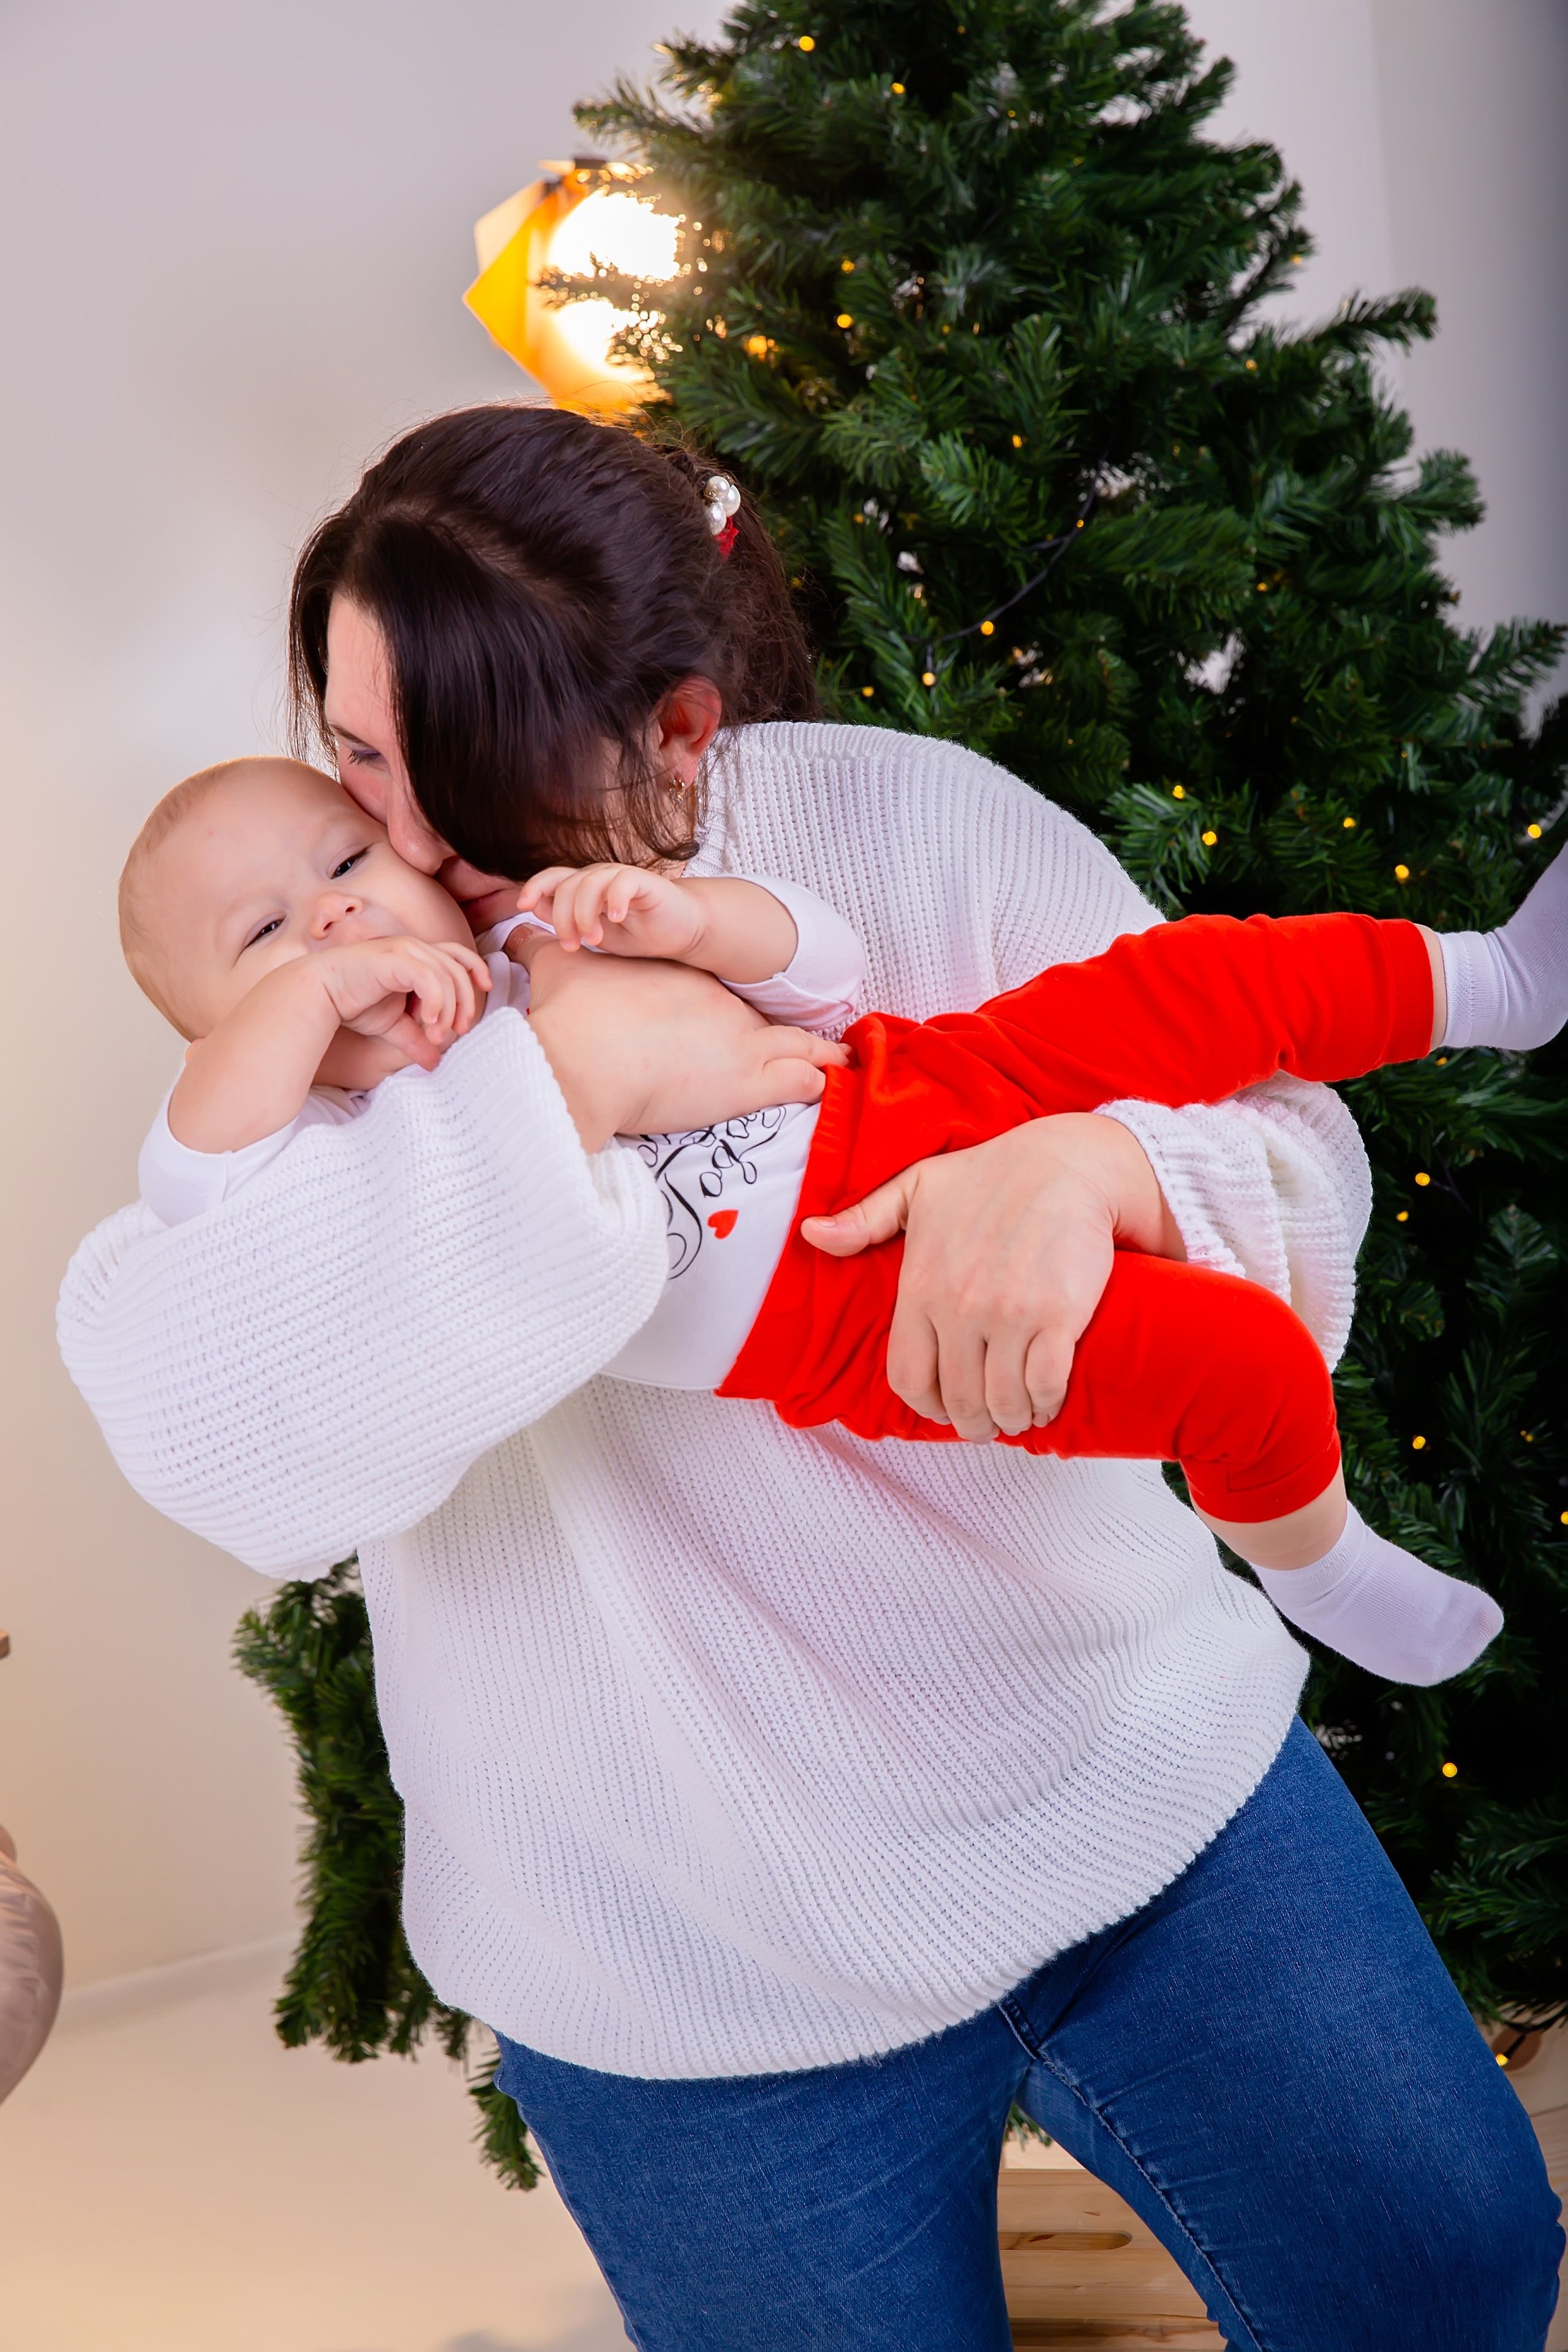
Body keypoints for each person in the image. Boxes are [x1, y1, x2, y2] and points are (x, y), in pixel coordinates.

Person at [60, 405, 1561, 2350]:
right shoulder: (326, 1066)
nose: (400, 859)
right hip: (682, 1963)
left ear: (677, 731)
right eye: (354, 755)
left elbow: (1275, 1130)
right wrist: (565, 1087)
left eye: (448, 778)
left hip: (1127, 1778)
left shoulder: (891, 821)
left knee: (1449, 2265)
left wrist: (1104, 1171)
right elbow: (230, 1429)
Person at [121, 751, 1568, 1679]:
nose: (328, 919)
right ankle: (1318, 1562)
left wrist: (688, 922)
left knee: (1196, 986)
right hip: (843, 1301)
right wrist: (318, 1009)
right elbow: (191, 1178)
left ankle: (1489, 981)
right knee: (1232, 1362)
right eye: (261, 937)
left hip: (899, 1077)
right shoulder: (316, 1139)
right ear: (210, 1028)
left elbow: (822, 959)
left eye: (347, 865)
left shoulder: (530, 938)